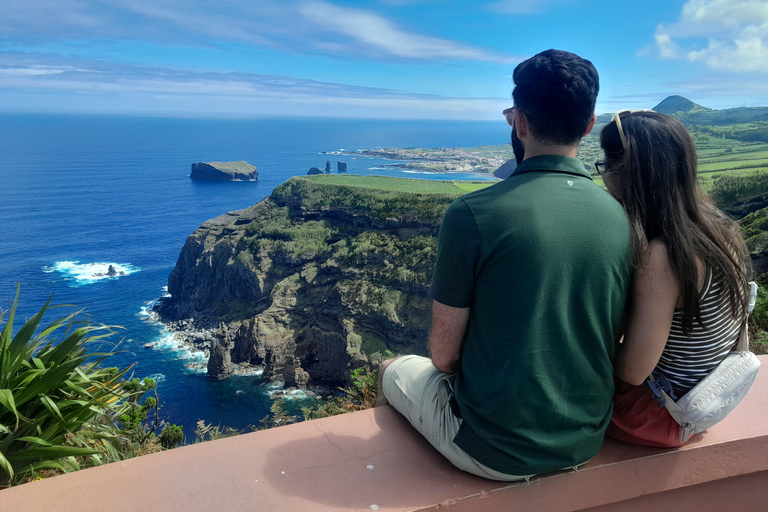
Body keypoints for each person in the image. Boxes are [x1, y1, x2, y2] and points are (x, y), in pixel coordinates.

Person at [375, 49, 632, 481]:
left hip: (492, 450)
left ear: (521, 122)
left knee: (390, 369)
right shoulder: (619, 215)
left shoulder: (472, 213)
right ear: (588, 125)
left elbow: (442, 357)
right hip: (585, 439)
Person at [598, 110, 752, 448]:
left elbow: (633, 372)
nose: (605, 178)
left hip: (662, 413)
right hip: (710, 395)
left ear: (628, 173)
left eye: (606, 166)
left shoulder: (663, 256)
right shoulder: (719, 227)